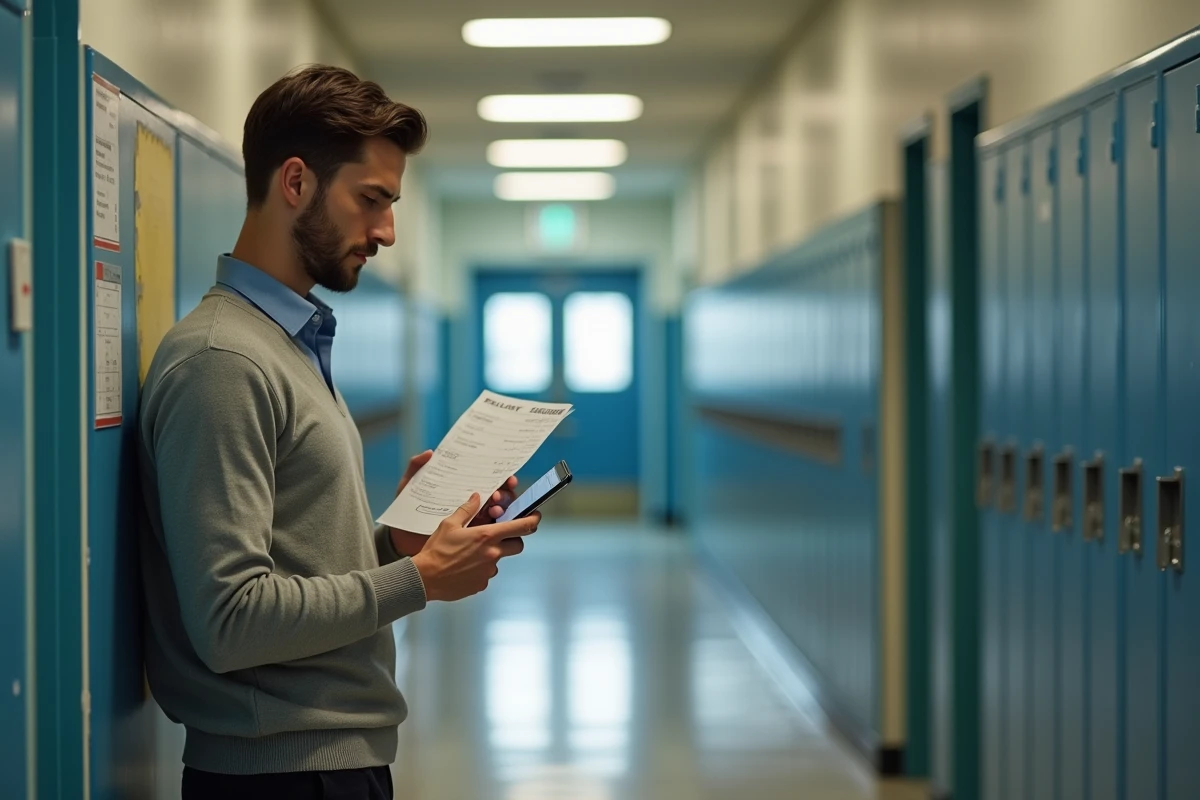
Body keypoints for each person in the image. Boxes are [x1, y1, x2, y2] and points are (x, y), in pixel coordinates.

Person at [135, 64, 539, 800]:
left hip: (325, 761)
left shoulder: (287, 345)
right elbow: (231, 619)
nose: (386, 231)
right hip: (282, 776)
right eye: (371, 200)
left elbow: (294, 565)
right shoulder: (224, 361)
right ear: (296, 182)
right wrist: (418, 580)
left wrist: (397, 544)